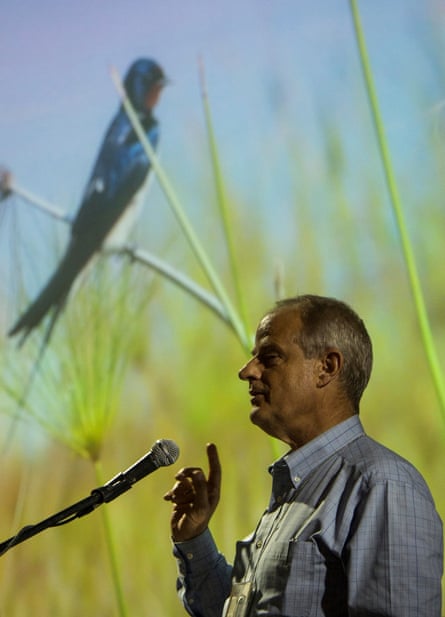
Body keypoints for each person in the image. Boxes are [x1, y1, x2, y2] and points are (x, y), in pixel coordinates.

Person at [164, 294, 443, 616]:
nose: (246, 371)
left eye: (269, 357)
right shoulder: (296, 486)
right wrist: (194, 536)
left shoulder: (382, 484)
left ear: (326, 367)